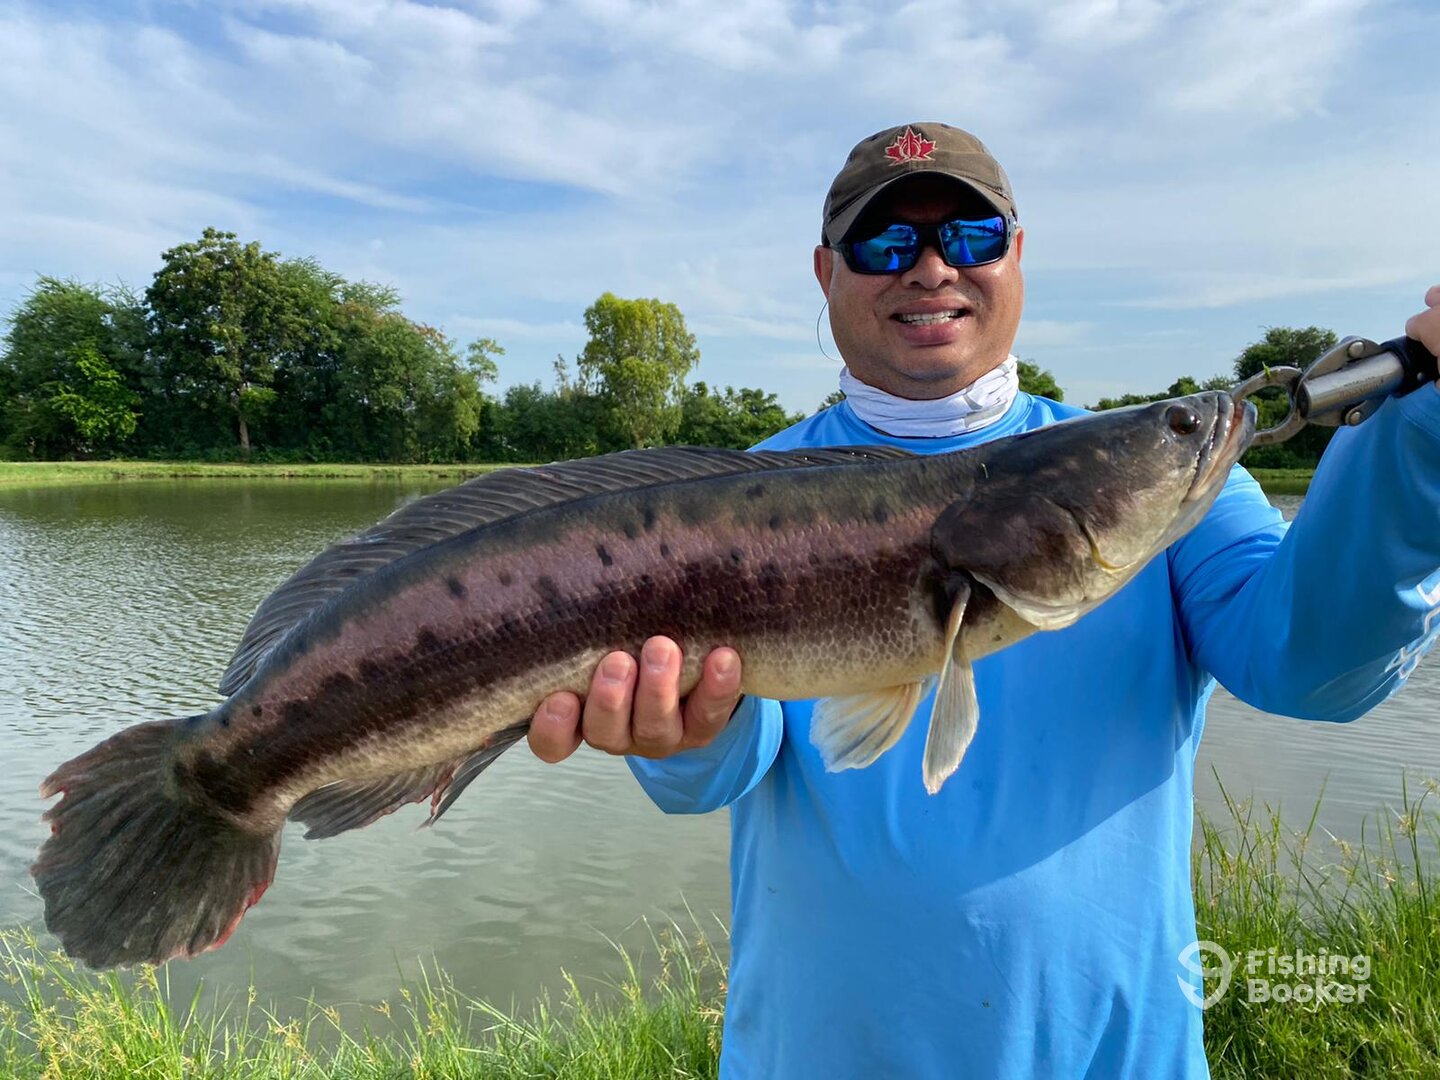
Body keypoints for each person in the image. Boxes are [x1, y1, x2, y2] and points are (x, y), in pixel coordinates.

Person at [527, 122, 1440, 1078]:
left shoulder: (1168, 483)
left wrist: (1417, 440)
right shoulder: (725, 503)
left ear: (1016, 255)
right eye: (884, 243)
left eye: (970, 236)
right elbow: (717, 776)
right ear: (825, 272)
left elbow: (1312, 669)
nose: (931, 268)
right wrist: (683, 734)